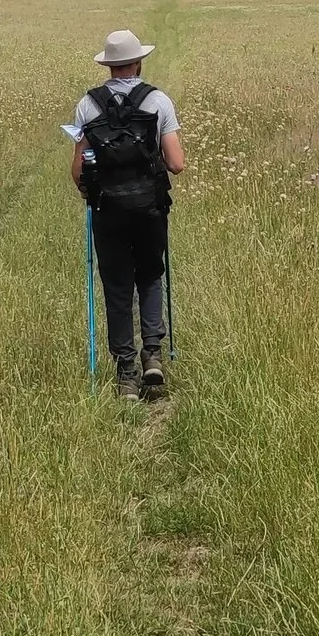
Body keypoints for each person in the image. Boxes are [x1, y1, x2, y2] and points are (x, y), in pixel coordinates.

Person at [70, 29, 187, 399]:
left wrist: (91, 192)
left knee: (117, 287)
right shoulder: (158, 101)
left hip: (109, 210)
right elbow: (177, 164)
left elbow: (77, 171)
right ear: (139, 62)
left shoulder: (88, 105)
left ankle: (126, 373)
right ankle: (152, 352)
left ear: (108, 66)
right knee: (151, 275)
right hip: (150, 207)